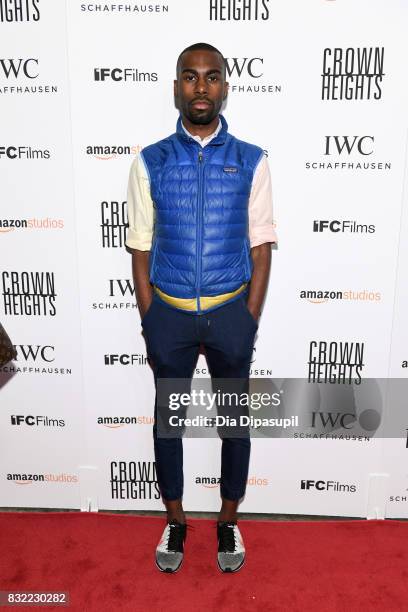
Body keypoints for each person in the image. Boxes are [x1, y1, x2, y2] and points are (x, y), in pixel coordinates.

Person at [125, 42, 277, 573]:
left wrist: (249, 318)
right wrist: (151, 316)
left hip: (231, 314)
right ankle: (176, 521)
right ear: (176, 88)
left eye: (211, 78)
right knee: (169, 424)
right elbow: (140, 245)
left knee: (234, 425)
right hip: (168, 316)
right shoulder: (150, 160)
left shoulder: (252, 160)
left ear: (225, 88)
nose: (201, 88)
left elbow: (261, 246)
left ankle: (228, 522)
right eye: (190, 77)